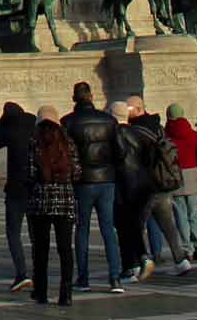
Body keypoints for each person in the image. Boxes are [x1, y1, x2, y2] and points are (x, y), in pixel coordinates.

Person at [113, 98, 189, 281]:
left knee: (135, 226)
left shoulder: (132, 130)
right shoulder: (156, 125)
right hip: (161, 182)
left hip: (146, 186)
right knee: (167, 224)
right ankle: (181, 261)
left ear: (137, 109)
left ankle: (139, 262)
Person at [62, 82, 125, 294]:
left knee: (82, 230)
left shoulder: (68, 122)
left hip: (82, 183)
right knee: (109, 229)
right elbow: (120, 150)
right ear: (91, 96)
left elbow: (66, 155)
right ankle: (115, 278)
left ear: (74, 98)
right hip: (106, 180)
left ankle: (83, 278)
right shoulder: (108, 120)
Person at [28, 108, 77, 308]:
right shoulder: (68, 143)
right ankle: (66, 294)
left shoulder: (34, 144)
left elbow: (30, 173)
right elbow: (77, 171)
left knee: (41, 250)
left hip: (41, 202)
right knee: (65, 249)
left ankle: (41, 292)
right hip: (64, 202)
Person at [0, 100, 39, 292]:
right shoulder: (34, 125)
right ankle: (39, 272)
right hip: (36, 186)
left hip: (16, 188)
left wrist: (2, 121)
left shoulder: (10, 128)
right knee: (36, 233)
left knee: (13, 232)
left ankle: (21, 273)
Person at [164, 103, 197, 261]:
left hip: (175, 177)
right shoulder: (192, 134)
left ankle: (187, 249)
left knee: (180, 215)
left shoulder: (166, 135)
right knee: (194, 214)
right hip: (192, 175)